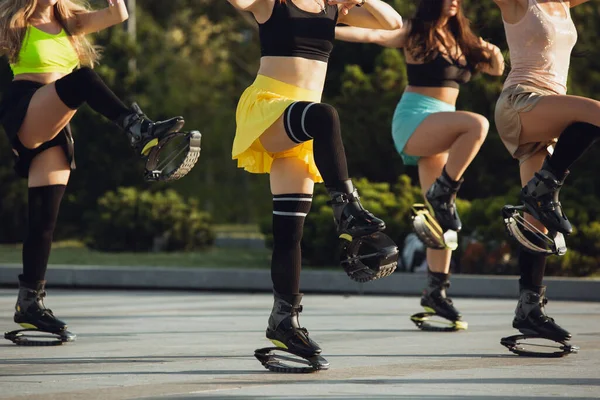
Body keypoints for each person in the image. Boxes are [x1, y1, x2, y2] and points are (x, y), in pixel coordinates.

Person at [226, 0, 402, 362]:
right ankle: (347, 209)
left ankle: (284, 321)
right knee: (325, 115)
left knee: (289, 232)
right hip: (271, 109)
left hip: (302, 127)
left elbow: (393, 23)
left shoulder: (332, 7)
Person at [0, 0, 184, 340]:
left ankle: (30, 304)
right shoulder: (12, 21)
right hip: (26, 107)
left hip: (57, 121)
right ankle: (137, 128)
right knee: (82, 78)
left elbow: (119, 15)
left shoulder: (70, 22)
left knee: (43, 221)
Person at [336, 0, 504, 329]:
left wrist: (490, 49)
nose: (454, 2)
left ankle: (436, 292)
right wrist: (321, 28)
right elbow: (372, 37)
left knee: (441, 219)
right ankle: (446, 190)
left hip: (441, 126)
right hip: (416, 120)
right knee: (477, 125)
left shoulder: (460, 41)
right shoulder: (416, 32)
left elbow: (496, 68)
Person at [492, 0, 592, 343]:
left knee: (538, 225)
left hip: (547, 116)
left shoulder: (564, 3)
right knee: (594, 114)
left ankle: (530, 309)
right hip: (521, 103)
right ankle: (544, 187)